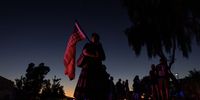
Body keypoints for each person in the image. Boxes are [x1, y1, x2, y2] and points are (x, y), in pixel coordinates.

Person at [74, 33, 106, 100]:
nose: (95, 39)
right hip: (88, 68)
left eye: (97, 38)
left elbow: (103, 57)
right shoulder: (88, 45)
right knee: (85, 88)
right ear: (91, 38)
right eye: (94, 38)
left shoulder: (99, 47)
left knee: (95, 90)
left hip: (97, 69)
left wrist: (99, 51)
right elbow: (85, 52)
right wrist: (95, 56)